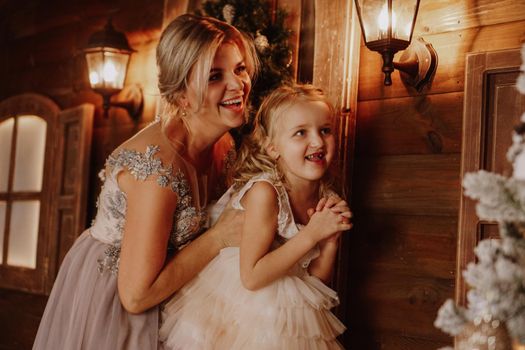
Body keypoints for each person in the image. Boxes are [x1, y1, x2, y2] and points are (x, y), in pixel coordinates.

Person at [33, 14, 259, 350]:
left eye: (240, 69)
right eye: (215, 76)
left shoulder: (223, 145)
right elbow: (135, 297)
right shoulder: (158, 170)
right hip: (117, 299)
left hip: (173, 287)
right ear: (182, 96)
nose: (238, 84)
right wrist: (218, 238)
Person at [160, 84, 352, 349]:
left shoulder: (323, 195)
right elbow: (251, 277)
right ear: (273, 148)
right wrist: (311, 234)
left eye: (325, 130)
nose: (318, 141)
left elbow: (315, 284)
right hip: (242, 304)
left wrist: (329, 240)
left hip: (288, 308)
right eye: (300, 133)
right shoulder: (265, 192)